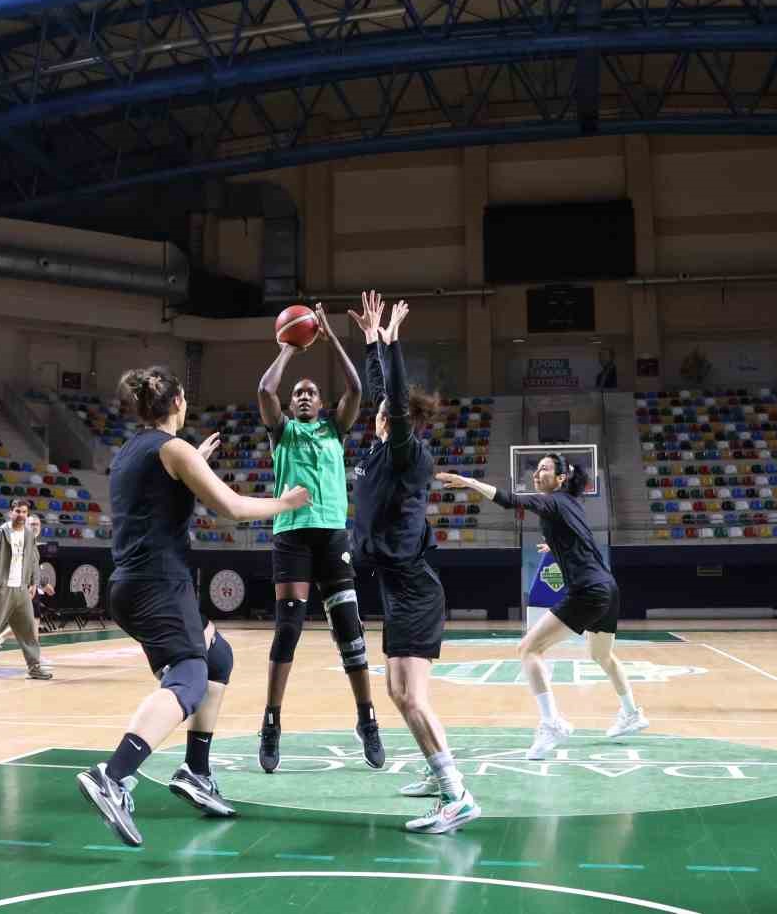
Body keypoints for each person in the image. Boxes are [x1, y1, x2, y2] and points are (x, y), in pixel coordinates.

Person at [77, 366, 311, 847]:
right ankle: (113, 775)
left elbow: (160, 489)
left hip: (131, 582)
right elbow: (234, 508)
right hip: (158, 584)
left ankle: (196, 772)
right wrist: (287, 503)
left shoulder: (132, 452)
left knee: (217, 656)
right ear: (179, 402)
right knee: (188, 677)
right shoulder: (173, 450)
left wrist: (194, 461)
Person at [346, 291, 479, 835]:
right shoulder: (381, 450)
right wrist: (374, 342)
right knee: (400, 693)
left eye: (387, 414)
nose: (381, 413)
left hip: (415, 588)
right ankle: (437, 772)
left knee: (411, 697)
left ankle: (457, 796)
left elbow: (394, 400)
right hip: (398, 588)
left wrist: (393, 345)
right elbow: (384, 396)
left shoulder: (406, 452)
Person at [437, 455, 647, 759]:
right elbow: (579, 536)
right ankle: (632, 713)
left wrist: (469, 482)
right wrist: (556, 545)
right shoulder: (571, 503)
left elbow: (508, 500)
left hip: (588, 590)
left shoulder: (554, 502)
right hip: (608, 587)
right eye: (536, 468)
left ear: (561, 478)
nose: (537, 473)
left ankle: (552, 723)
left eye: (545, 468)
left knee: (529, 649)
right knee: (601, 654)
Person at [256, 301, 383, 773]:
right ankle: (271, 722)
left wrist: (328, 335)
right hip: (291, 536)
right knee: (287, 630)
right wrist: (290, 346)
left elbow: (356, 387)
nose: (305, 396)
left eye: (311, 392)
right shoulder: (281, 432)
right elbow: (265, 388)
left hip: (331, 537)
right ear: (292, 406)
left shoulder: (335, 429)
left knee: (349, 630)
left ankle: (367, 719)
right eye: (299, 394)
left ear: (321, 404)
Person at [0, 502, 52, 680]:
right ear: (11, 513)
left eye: (24, 512)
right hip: (2, 589)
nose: (21, 515)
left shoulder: (29, 535)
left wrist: (34, 582)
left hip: (22, 590)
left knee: (28, 630)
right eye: (18, 511)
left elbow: (33, 560)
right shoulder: (1, 533)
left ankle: (34, 667)